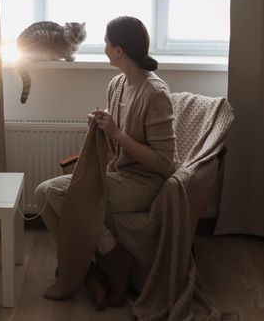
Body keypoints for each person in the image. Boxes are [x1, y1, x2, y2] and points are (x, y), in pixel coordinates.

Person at [34, 16, 178, 310]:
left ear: (119, 50)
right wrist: (101, 126)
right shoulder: (117, 84)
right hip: (119, 174)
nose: (103, 47)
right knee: (43, 194)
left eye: (106, 42)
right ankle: (91, 271)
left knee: (55, 194)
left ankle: (112, 259)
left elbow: (165, 163)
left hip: (145, 183)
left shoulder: (156, 94)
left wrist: (116, 133)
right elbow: (116, 142)